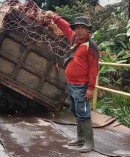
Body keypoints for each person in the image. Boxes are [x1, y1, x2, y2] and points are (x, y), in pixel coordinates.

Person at [45, 12, 99, 152]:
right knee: (76, 111)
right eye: (77, 27)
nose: (79, 30)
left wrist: (91, 88)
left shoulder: (91, 47)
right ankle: (80, 138)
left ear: (88, 30)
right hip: (71, 84)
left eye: (82, 27)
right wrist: (54, 17)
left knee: (84, 113)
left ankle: (89, 142)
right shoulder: (75, 39)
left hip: (82, 86)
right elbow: (65, 27)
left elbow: (94, 69)